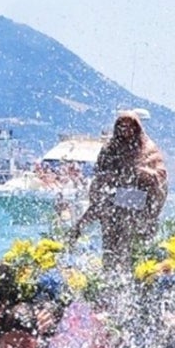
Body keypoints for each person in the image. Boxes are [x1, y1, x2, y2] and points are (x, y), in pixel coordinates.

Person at [70, 111, 169, 272]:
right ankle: (108, 275)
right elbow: (99, 175)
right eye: (122, 126)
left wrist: (142, 172)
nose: (126, 130)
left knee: (129, 242)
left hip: (141, 202)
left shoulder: (147, 148)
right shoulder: (110, 148)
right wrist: (109, 177)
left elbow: (160, 176)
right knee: (109, 236)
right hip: (114, 199)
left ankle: (130, 275)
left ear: (137, 128)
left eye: (130, 127)